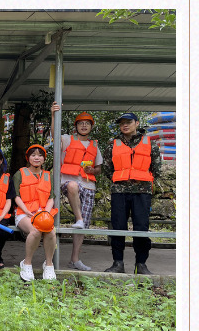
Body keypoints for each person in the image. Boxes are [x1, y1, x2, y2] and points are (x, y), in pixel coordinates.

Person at [102, 112, 161, 275]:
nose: (124, 125)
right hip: (119, 192)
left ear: (137, 123)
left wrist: (141, 180)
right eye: (121, 123)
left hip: (142, 192)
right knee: (118, 227)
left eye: (128, 122)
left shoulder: (150, 144)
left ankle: (141, 264)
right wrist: (121, 181)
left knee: (141, 228)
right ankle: (117, 263)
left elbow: (157, 168)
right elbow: (107, 168)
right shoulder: (112, 144)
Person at [50, 103, 103, 271]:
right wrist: (53, 115)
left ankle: (75, 259)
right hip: (68, 180)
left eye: (87, 123)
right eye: (81, 123)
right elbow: (53, 135)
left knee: (84, 226)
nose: (84, 125)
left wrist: (92, 170)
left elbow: (99, 168)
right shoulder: (66, 139)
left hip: (88, 185)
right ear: (76, 126)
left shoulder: (94, 145)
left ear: (91, 126)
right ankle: (78, 218)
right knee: (72, 185)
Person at [14, 145, 58, 281]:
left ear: (44, 159)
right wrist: (27, 210)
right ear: (28, 158)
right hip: (24, 213)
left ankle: (49, 264)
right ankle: (27, 263)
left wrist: (47, 213)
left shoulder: (48, 175)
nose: (36, 157)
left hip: (43, 213)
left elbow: (51, 198)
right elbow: (15, 196)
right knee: (35, 231)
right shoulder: (20, 173)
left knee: (50, 231)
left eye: (40, 155)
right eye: (33, 155)